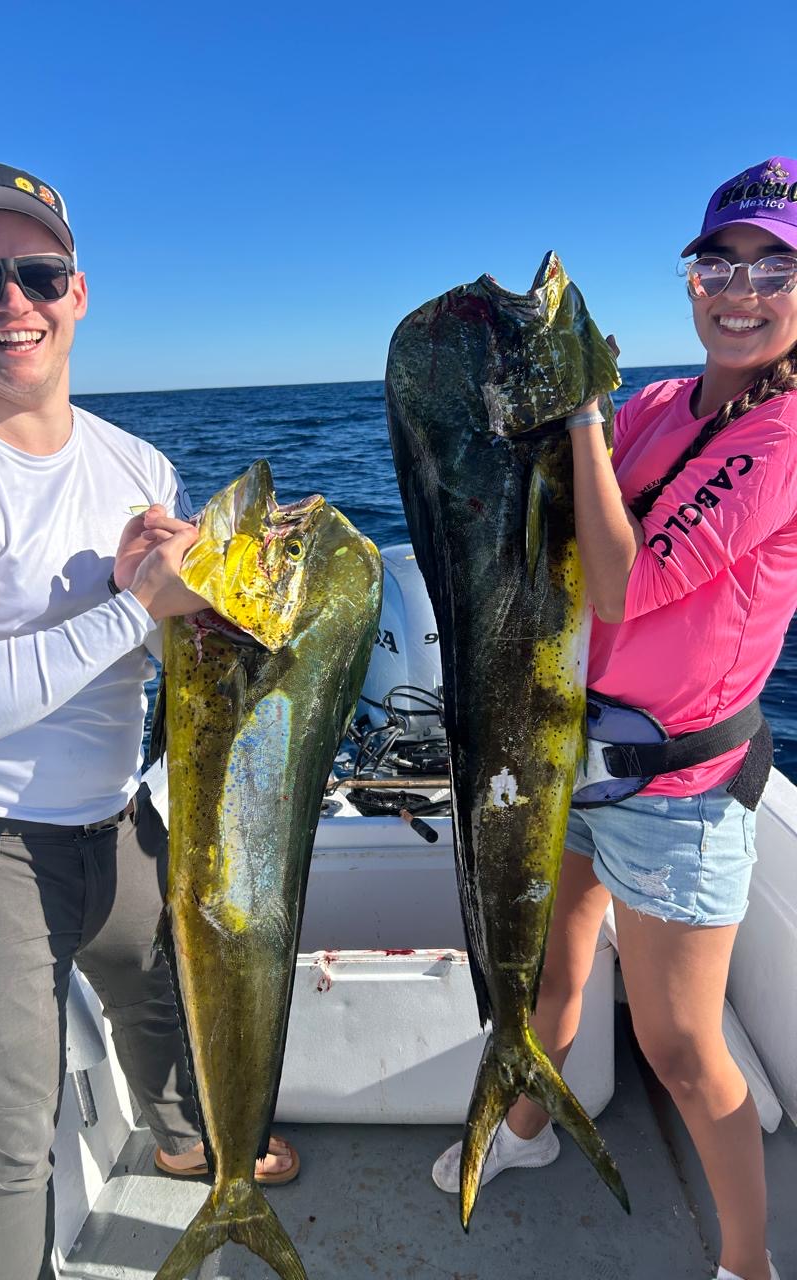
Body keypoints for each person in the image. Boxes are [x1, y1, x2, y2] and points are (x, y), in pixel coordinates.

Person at [0, 162, 297, 1280]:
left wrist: (201, 602)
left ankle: (191, 1147)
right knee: (12, 1128)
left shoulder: (137, 463)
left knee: (165, 1006)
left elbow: (167, 656)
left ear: (78, 292)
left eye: (38, 274)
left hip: (118, 818)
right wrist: (135, 603)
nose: (13, 301)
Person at [432, 157, 797, 1280]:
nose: (740, 291)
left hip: (679, 791)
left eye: (775, 268)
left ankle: (747, 1261)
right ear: (692, 279)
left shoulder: (784, 439)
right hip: (568, 755)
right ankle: (528, 1129)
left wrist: (583, 408)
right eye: (719, 264)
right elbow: (536, 486)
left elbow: (624, 584)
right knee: (550, 974)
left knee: (679, 1045)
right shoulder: (657, 407)